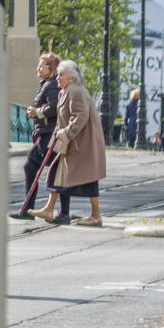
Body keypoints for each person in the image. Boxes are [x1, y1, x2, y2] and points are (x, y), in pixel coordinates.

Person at [30, 61, 107, 226]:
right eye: (57, 74)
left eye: (61, 74)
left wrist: (66, 134)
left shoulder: (77, 91)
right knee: (58, 172)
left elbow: (80, 116)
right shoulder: (66, 91)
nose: (57, 77)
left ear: (71, 77)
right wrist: (57, 137)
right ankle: (50, 209)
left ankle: (96, 215)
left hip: (82, 142)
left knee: (88, 178)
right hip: (74, 141)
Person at [12, 53, 61, 219]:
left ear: (51, 69)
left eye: (42, 66)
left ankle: (32, 210)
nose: (38, 69)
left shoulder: (52, 85)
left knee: (50, 170)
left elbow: (55, 108)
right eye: (38, 66)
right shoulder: (47, 84)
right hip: (44, 133)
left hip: (48, 134)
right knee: (52, 170)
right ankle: (30, 209)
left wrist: (37, 112)